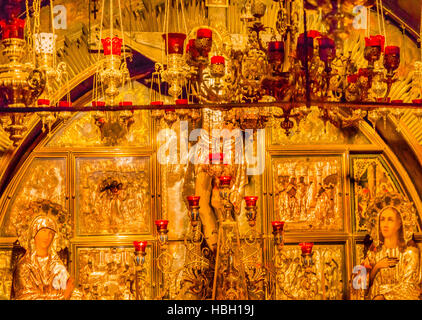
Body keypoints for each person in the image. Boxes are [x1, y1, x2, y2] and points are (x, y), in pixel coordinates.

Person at [11, 215, 75, 300]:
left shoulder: (57, 264)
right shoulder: (24, 266)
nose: (47, 236)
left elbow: (68, 290)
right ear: (34, 233)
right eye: (43, 231)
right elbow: (26, 297)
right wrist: (62, 298)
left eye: (51, 233)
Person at [366, 206, 420, 300]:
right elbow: (360, 285)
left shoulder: (410, 253)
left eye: (390, 220)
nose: (385, 224)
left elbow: (410, 286)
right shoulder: (374, 253)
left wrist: (384, 297)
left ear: (399, 224)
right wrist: (376, 267)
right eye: (382, 220)